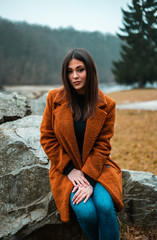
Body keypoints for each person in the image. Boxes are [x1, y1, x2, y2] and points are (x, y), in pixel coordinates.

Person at [40, 48, 123, 240]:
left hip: (98, 167)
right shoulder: (54, 98)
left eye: (80, 69)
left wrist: (88, 179)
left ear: (90, 71)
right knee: (86, 212)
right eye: (70, 71)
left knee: (105, 206)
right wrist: (70, 169)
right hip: (66, 170)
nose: (75, 76)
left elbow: (103, 145)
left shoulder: (107, 104)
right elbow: (47, 137)